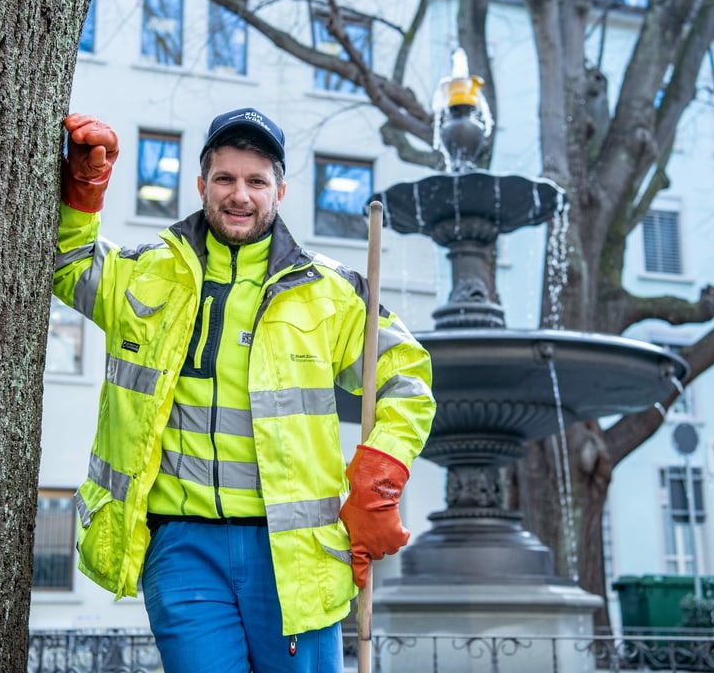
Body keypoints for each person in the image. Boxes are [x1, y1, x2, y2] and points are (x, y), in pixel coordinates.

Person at [54, 108, 436, 673]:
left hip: (294, 555)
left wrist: (379, 480)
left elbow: (408, 376)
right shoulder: (146, 273)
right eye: (226, 179)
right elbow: (69, 264)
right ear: (202, 184)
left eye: (256, 181)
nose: (240, 195)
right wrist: (85, 191)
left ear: (279, 190)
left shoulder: (332, 292)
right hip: (182, 549)